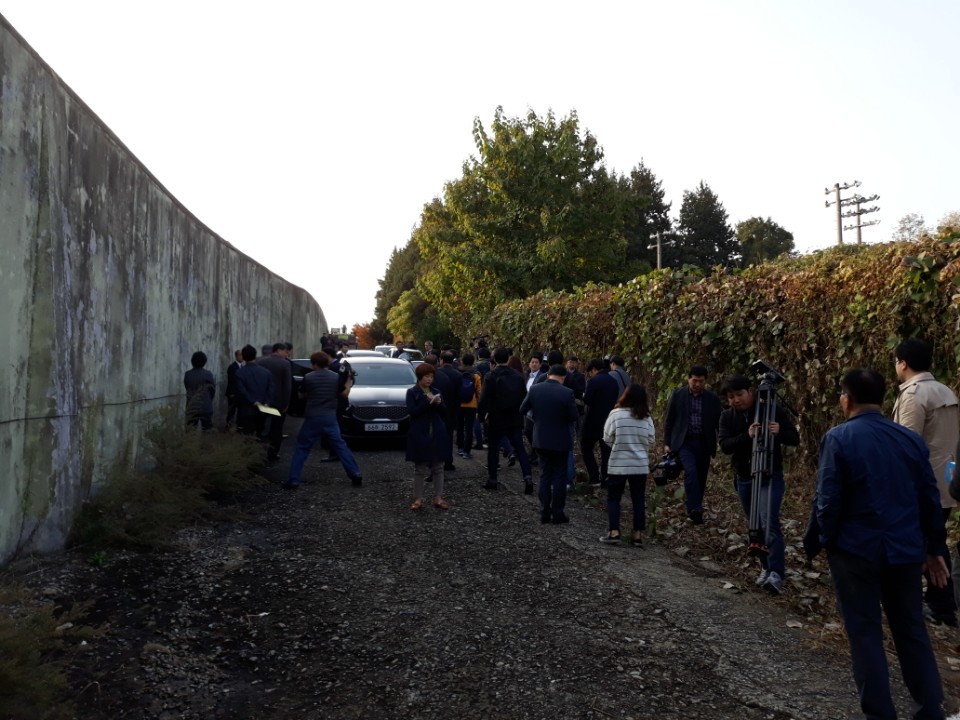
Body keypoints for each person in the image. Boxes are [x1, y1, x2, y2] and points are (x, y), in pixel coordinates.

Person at [812, 368, 947, 720]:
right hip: (905, 550)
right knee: (911, 628)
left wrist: (824, 540)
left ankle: (880, 713)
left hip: (856, 550)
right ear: (884, 399)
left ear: (847, 399)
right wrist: (933, 549)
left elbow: (828, 499)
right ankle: (930, 708)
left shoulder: (839, 438)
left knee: (864, 631)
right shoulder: (909, 440)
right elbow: (929, 498)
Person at [892, 338, 960, 627]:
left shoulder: (914, 394)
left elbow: (906, 443)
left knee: (928, 542)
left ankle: (941, 603)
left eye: (896, 361)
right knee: (935, 536)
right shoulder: (945, 390)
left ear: (903, 363)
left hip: (921, 482)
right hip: (948, 479)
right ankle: (942, 601)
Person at [718, 374, 799, 595]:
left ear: (750, 392)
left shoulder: (771, 411)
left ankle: (776, 573)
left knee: (769, 520)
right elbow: (725, 445)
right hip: (744, 477)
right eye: (731, 396)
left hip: (770, 476)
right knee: (755, 523)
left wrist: (779, 432)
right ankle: (765, 566)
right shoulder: (727, 417)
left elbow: (794, 437)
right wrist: (748, 435)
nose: (736, 400)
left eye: (739, 394)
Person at [285, 351, 363, 489]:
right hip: (330, 417)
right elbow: (344, 394)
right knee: (340, 446)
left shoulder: (308, 377)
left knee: (302, 448)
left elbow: (300, 395)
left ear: (314, 364)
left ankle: (293, 480)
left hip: (312, 417)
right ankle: (355, 474)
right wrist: (349, 381)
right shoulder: (335, 377)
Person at [519, 364, 578, 524]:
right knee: (559, 475)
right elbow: (573, 416)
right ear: (563, 377)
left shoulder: (535, 389)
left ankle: (544, 511)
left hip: (541, 438)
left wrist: (536, 420)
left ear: (548, 375)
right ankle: (558, 512)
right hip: (561, 439)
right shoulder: (567, 393)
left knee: (545, 474)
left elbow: (523, 409)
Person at [663, 365, 722, 524]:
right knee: (690, 471)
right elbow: (669, 420)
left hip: (704, 443)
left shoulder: (712, 399)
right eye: (694, 381)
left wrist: (721, 440)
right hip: (684, 442)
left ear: (705, 382)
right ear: (688, 379)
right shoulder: (678, 395)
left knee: (701, 476)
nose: (697, 384)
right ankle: (694, 508)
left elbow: (719, 422)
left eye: (700, 381)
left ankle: (696, 504)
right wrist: (667, 443)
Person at [600, 384, 655, 546]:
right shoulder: (646, 417)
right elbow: (651, 439)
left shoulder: (616, 414)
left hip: (618, 463)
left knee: (614, 498)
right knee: (638, 499)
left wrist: (619, 445)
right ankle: (637, 535)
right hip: (639, 465)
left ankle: (614, 532)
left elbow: (607, 437)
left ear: (625, 395)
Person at [477, 347, 533, 493]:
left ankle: (493, 479)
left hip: (496, 418)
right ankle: (528, 478)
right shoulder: (518, 375)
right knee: (520, 448)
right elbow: (524, 396)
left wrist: (481, 417)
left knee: (493, 448)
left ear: (494, 359)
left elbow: (483, 399)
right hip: (515, 418)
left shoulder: (491, 375)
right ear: (508, 358)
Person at [405, 363, 449, 510]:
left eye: (431, 377)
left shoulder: (436, 391)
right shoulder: (412, 392)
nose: (429, 380)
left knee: (438, 466)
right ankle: (418, 498)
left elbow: (444, 413)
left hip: (437, 431)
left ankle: (438, 497)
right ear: (420, 377)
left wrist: (438, 403)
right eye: (426, 377)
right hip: (420, 432)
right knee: (420, 467)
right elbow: (413, 411)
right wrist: (428, 402)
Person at [581, 358, 620, 488]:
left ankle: (594, 477)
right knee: (606, 451)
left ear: (593, 370)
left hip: (593, 420)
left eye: (590, 372)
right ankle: (606, 478)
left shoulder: (593, 381)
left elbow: (587, 399)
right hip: (609, 420)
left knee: (586, 447)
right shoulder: (613, 382)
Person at [257, 343, 293, 463]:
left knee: (261, 427)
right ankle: (272, 453)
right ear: (278, 350)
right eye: (285, 351)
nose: (286, 354)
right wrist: (286, 402)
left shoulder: (260, 362)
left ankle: (258, 452)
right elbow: (287, 385)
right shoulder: (285, 363)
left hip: (263, 401)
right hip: (278, 402)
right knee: (276, 429)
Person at [234, 344, 274, 438]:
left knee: (246, 436)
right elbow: (271, 389)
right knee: (260, 434)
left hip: (246, 410)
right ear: (255, 356)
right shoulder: (266, 372)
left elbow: (241, 391)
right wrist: (267, 403)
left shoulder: (239, 373)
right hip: (263, 408)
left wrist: (253, 401)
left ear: (243, 357)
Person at [457, 353, 482, 460]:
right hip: (471, 405)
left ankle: (460, 448)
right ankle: (467, 451)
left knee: (459, 427)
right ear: (473, 362)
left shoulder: (457, 373)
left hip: (458, 404)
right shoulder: (476, 375)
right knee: (469, 428)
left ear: (462, 361)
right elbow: (479, 392)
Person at [183, 351, 216, 430]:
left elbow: (187, 387)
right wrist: (208, 400)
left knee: (190, 431)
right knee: (207, 431)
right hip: (206, 406)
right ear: (204, 362)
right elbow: (212, 390)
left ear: (192, 361)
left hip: (192, 406)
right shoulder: (208, 374)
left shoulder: (188, 374)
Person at [225, 348, 243, 429]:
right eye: (240, 355)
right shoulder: (232, 367)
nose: (242, 357)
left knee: (239, 410)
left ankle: (238, 426)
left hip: (239, 393)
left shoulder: (242, 366)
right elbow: (231, 380)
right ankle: (228, 425)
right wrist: (231, 393)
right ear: (236, 356)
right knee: (231, 410)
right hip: (233, 393)